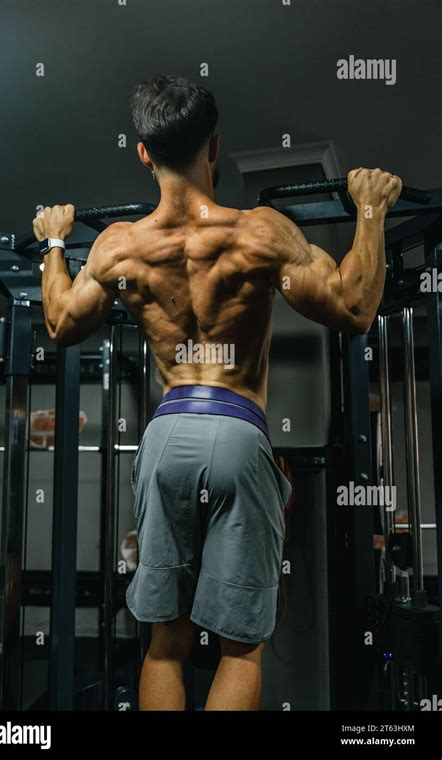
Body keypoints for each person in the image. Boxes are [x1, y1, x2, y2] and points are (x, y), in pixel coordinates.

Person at [32, 74, 402, 711]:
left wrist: (56, 242)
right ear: (214, 146)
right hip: (235, 431)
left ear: (144, 152)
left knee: (164, 644)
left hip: (166, 434)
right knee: (240, 649)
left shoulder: (120, 246)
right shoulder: (258, 232)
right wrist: (370, 208)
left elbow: (61, 323)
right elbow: (353, 306)